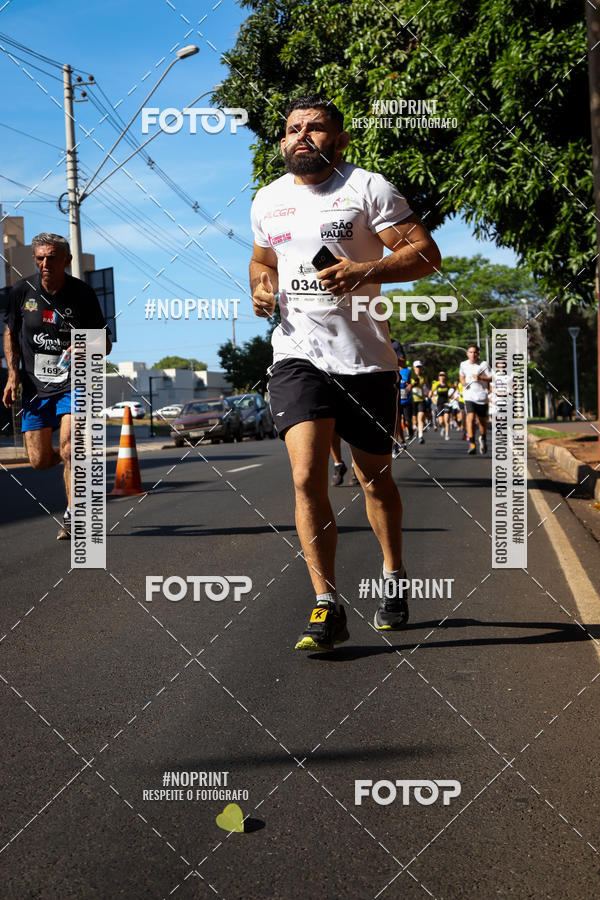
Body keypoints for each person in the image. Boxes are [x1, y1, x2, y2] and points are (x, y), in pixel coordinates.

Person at [250, 94, 441, 651]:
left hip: (366, 359)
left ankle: (394, 574)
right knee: (307, 476)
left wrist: (366, 269)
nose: (301, 136)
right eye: (292, 128)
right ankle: (326, 604)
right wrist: (261, 289)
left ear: (340, 139)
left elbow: (426, 254)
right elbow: (263, 262)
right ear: (283, 140)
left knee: (374, 478)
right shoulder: (267, 200)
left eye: (314, 127)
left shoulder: (368, 188)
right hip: (295, 356)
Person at [3, 233, 111, 539]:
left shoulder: (83, 294)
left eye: (51, 257)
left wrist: (85, 345)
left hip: (74, 384)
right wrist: (12, 375)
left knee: (70, 447)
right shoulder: (22, 291)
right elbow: (10, 333)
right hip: (35, 387)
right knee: (37, 461)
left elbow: (106, 343)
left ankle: (74, 513)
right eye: (40, 257)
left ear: (67, 259)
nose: (45, 263)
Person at [459, 344, 492, 455]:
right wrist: (463, 383)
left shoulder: (484, 365)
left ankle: (483, 438)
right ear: (467, 353)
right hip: (469, 396)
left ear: (478, 353)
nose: (473, 354)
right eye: (471, 352)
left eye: (475, 352)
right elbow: (461, 376)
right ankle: (472, 443)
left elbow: (492, 377)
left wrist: (481, 378)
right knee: (470, 418)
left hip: (482, 396)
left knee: (482, 422)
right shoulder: (463, 364)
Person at [410, 361, 429, 444]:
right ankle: (415, 428)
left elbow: (428, 387)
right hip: (412, 400)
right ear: (414, 368)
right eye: (417, 367)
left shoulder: (423, 377)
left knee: (420, 418)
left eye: (420, 367)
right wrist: (413, 384)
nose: (418, 369)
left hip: (421, 400)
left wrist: (429, 391)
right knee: (414, 420)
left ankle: (421, 436)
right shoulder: (410, 376)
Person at [430, 371, 452, 440]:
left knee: (447, 420)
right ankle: (443, 427)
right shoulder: (436, 384)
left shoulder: (448, 384)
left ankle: (447, 435)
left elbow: (455, 388)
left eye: (443, 376)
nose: (442, 377)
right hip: (439, 404)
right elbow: (431, 393)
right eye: (441, 376)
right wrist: (433, 399)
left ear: (445, 377)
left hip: (446, 403)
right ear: (439, 377)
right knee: (441, 421)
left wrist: (452, 395)